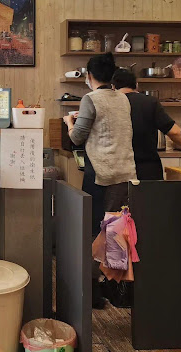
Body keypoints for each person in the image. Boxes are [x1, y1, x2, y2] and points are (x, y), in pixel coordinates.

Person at [64, 53, 137, 308]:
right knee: (116, 231)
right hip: (125, 172)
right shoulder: (123, 99)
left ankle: (93, 291)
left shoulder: (91, 99)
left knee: (95, 232)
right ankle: (115, 288)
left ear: (89, 75)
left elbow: (77, 137)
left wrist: (69, 123)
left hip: (101, 175)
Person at [111, 68, 181, 180]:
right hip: (148, 169)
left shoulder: (108, 104)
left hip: (117, 169)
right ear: (136, 85)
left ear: (113, 87)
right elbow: (174, 132)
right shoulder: (150, 102)